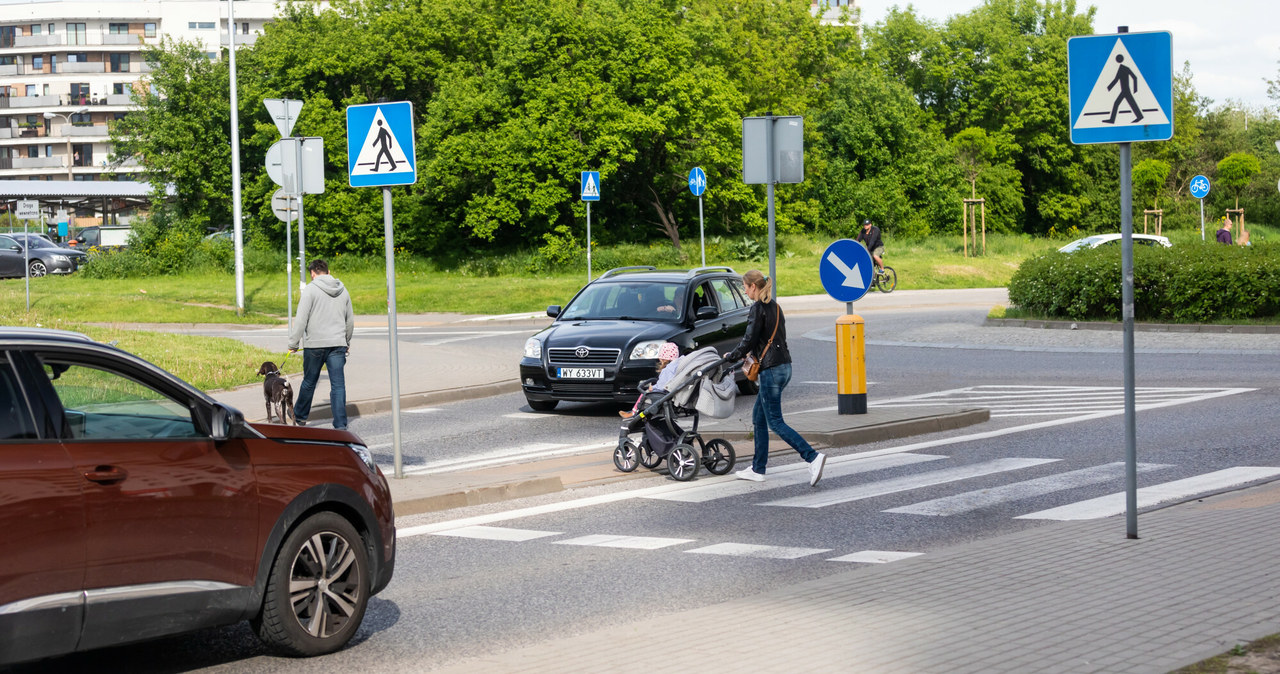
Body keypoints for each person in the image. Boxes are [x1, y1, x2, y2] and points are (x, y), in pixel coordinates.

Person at [726, 270, 826, 486]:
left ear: (753, 286)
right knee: (759, 417)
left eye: (745, 287)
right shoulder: (776, 308)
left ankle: (812, 457)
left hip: (771, 370)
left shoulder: (758, 308)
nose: (744, 291)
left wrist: (730, 356)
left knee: (775, 421)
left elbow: (749, 340)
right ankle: (758, 468)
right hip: (784, 366)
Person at [289, 259, 355, 429]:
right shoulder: (343, 290)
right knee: (338, 385)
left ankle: (300, 416)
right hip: (338, 344)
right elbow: (350, 321)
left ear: (312, 273)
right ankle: (340, 424)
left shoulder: (310, 290)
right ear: (328, 271)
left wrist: (293, 343)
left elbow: (301, 319)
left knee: (309, 382)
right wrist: (346, 341)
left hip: (315, 346)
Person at [621, 342, 681, 418]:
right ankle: (634, 411)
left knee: (644, 393)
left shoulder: (667, 370)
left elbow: (662, 386)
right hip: (671, 392)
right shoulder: (677, 367)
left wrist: (653, 388)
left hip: (663, 394)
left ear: (663, 358)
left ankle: (634, 412)